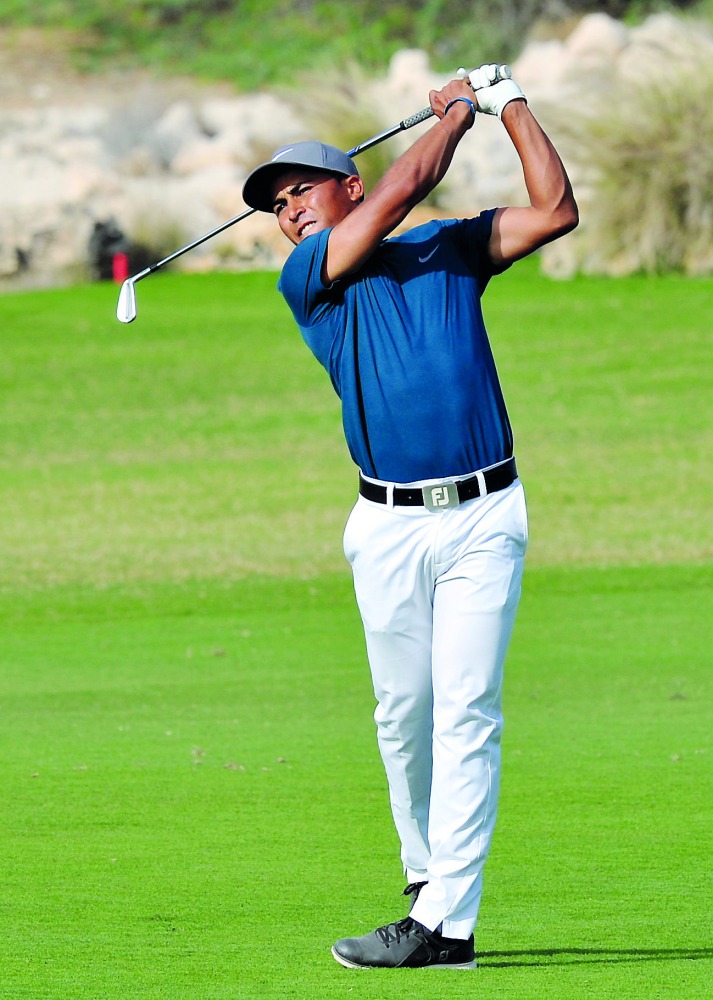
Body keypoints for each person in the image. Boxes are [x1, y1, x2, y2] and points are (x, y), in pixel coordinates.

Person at [242, 65, 578, 970]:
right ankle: (426, 877)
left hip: (482, 517)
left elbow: (553, 211)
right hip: (385, 527)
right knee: (405, 712)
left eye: (299, 190)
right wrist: (457, 114)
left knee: (467, 710)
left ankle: (444, 926)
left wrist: (509, 106)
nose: (288, 211)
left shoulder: (447, 250)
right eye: (275, 204)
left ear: (342, 183)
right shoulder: (310, 277)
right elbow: (402, 186)